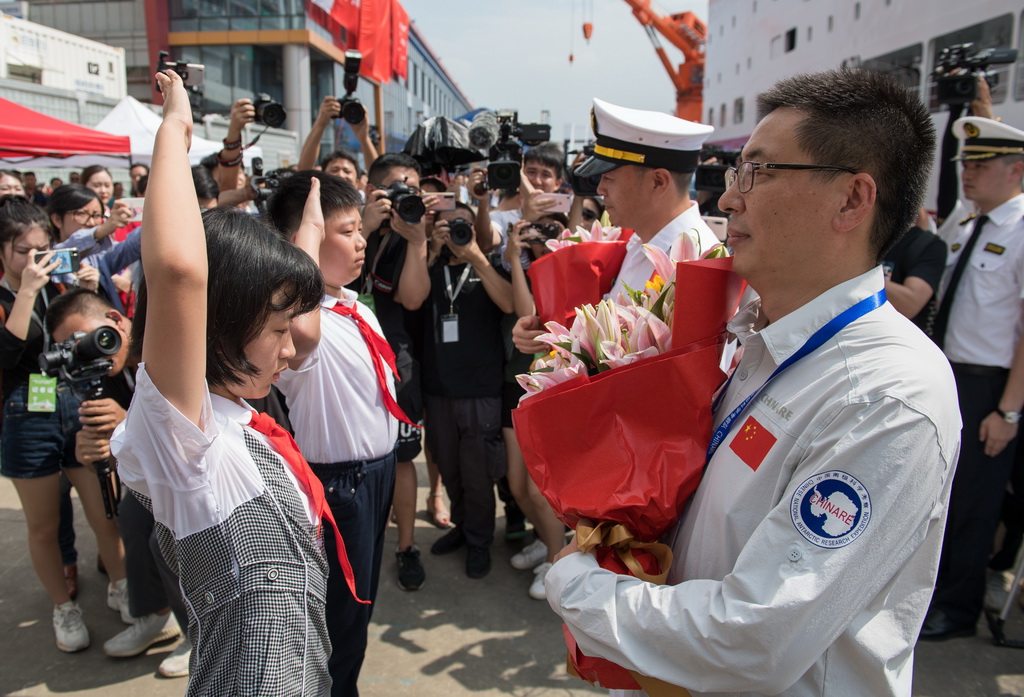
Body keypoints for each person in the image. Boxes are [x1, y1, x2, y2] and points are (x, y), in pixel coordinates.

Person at [544, 69, 960, 697]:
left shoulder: (887, 395)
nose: (728, 200)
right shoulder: (752, 335)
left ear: (852, 200)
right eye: (737, 172)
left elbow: (753, 640)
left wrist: (577, 583)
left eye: (758, 173)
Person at [110, 70, 332, 695]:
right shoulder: (186, 437)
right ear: (221, 322)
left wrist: (313, 230)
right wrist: (175, 128)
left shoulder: (237, 417)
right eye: (278, 329)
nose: (291, 349)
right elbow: (180, 270)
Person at [269, 169, 408, 696]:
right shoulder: (300, 322)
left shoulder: (353, 306)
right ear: (303, 240)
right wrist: (301, 243)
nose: (361, 241)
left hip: (376, 476)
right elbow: (303, 332)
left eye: (360, 229)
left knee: (359, 609)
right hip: (339, 484)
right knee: (339, 623)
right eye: (346, 231)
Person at [0, 195, 125, 654]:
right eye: (22, 252)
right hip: (25, 414)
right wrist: (27, 290)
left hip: (75, 401)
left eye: (41, 250)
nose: (34, 261)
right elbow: (7, 354)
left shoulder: (59, 287)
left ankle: (122, 586)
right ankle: (63, 607)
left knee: (104, 510)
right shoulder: (15, 294)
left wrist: (87, 289)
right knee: (44, 524)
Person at [46, 289, 190, 674]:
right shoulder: (99, 375)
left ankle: (199, 632)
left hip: (204, 470)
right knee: (129, 514)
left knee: (162, 539)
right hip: (159, 475)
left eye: (86, 339)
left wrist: (127, 423)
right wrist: (95, 450)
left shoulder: (161, 342)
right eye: (71, 349)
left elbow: (197, 428)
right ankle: (156, 615)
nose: (85, 352)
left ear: (114, 319)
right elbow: (123, 456)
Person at [921, 116, 1024, 641]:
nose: (968, 174)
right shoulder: (965, 226)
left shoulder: (1021, 229)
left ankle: (957, 610)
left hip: (990, 386)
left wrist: (1008, 410)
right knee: (939, 494)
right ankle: (931, 594)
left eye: (982, 165)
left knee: (973, 505)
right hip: (950, 375)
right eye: (967, 164)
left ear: (1016, 171)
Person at [512, 98, 718, 354]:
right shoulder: (640, 242)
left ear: (657, 182)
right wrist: (552, 335)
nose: (600, 189)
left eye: (609, 178)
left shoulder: (699, 261)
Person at [357, 152, 434, 592]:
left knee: (404, 459)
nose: (406, 196)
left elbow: (413, 299)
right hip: (345, 359)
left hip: (394, 360)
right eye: (396, 187)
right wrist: (364, 227)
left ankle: (406, 546)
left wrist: (418, 241)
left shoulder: (412, 232)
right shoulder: (346, 224)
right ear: (371, 191)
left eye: (413, 189)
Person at [424, 203, 514, 579]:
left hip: (481, 387)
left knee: (478, 472)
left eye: (461, 223)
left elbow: (510, 302)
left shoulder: (488, 265)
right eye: (445, 226)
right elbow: (411, 303)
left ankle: (479, 541)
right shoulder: (429, 265)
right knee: (449, 467)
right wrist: (431, 250)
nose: (454, 231)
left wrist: (475, 255)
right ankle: (462, 527)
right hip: (438, 388)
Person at [881, 207, 947, 329]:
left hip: (892, 335)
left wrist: (857, 274)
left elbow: (909, 303)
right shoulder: (856, 236)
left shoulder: (928, 245)